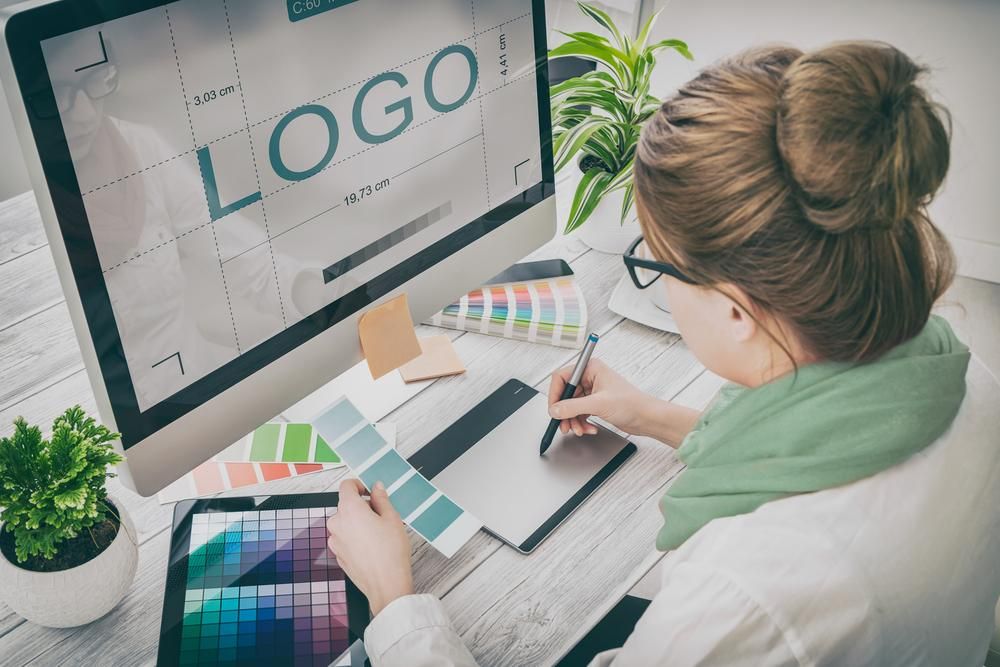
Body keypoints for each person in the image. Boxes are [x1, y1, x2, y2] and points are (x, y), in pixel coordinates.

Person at [327, 41, 1000, 665]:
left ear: (736, 311)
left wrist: (393, 598)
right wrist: (651, 414)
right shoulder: (973, 382)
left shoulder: (745, 593)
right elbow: (818, 442)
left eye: (658, 261)